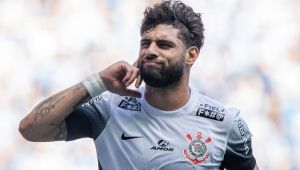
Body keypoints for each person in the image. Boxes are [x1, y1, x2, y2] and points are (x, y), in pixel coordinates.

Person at [19, 0, 259, 169]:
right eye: (145, 43)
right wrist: (98, 82)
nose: (150, 51)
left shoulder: (223, 123)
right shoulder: (108, 109)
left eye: (164, 45)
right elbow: (30, 129)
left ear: (191, 55)